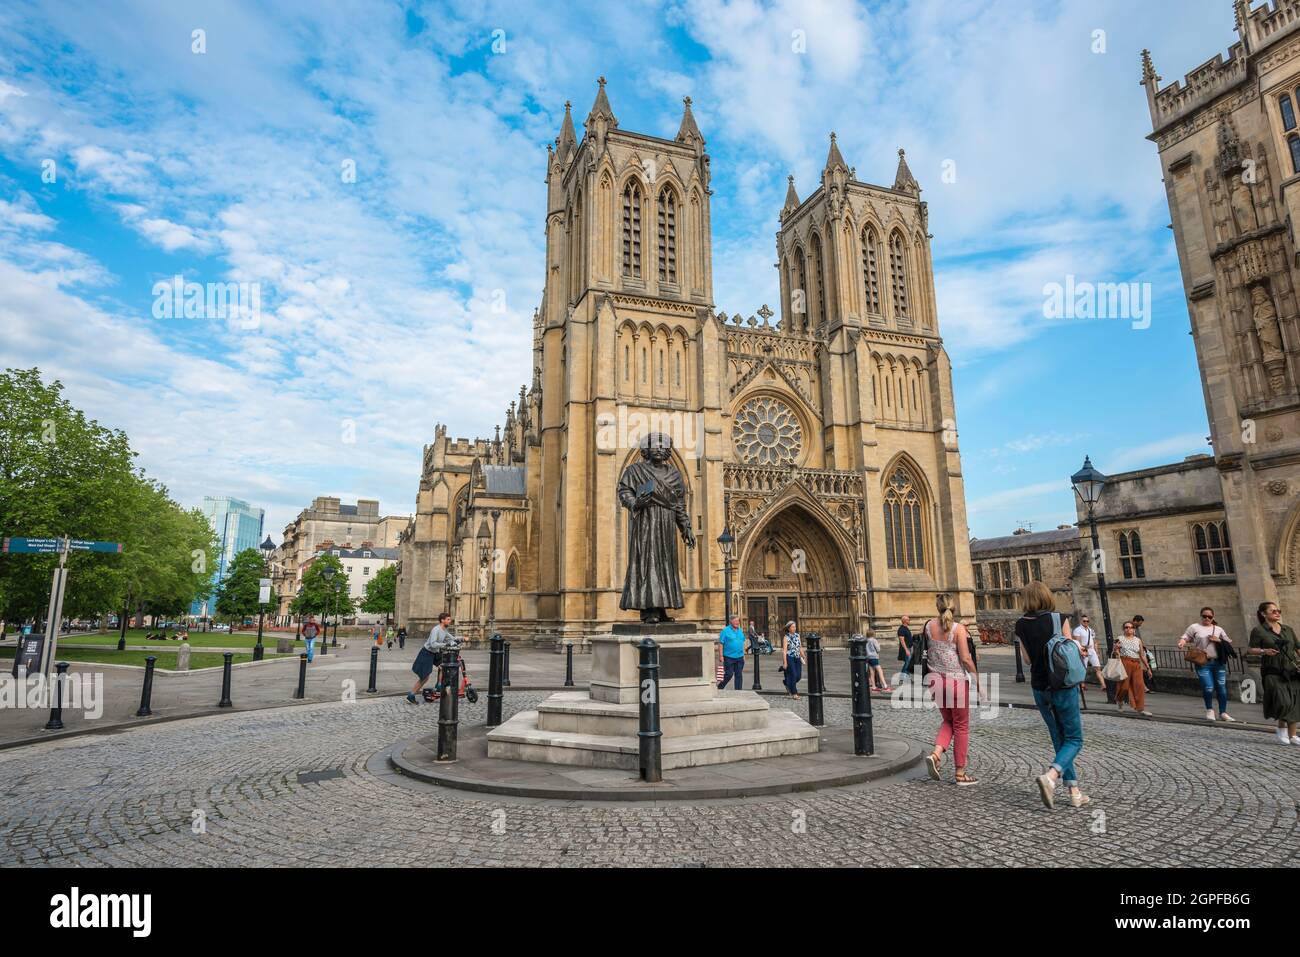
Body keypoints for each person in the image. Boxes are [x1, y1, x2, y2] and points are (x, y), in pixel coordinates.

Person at [1014, 582, 1088, 809]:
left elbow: (1027, 660)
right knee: (1075, 739)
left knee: (1059, 738)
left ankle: (1074, 792)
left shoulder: (1020, 625)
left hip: (1039, 688)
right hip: (1062, 685)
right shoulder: (1059, 618)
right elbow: (1070, 652)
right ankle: (1051, 776)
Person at [922, 608, 978, 785]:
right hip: (956, 683)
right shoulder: (958, 629)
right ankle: (960, 773)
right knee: (961, 726)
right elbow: (966, 659)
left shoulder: (928, 626)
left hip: (935, 681)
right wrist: (978, 680)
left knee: (948, 721)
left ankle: (936, 754)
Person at [1247, 601, 1300, 745]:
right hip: (1272, 671)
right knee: (1283, 701)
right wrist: (1265, 651)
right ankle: (1282, 729)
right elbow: (1251, 649)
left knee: (1294, 702)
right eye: (1273, 611)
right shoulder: (1259, 631)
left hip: (1291, 671)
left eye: (1278, 611)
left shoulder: (1287, 629)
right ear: (1264, 614)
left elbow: (1297, 648)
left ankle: (1293, 735)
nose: (1277, 613)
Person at [1178, 607, 1236, 722]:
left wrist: (1218, 640)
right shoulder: (1195, 627)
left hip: (1218, 662)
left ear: (1213, 617)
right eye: (1204, 616)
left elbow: (1229, 643)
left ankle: (1223, 712)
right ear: (1201, 616)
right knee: (1208, 687)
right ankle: (1209, 710)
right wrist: (1181, 643)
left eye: (1209, 616)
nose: (1207, 618)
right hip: (1203, 662)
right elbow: (1186, 637)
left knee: (1222, 688)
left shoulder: (1218, 629)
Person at [408, 612, 457, 704]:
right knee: (425, 678)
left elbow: (452, 638)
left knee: (443, 665)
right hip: (426, 653)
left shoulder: (444, 630)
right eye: (448, 619)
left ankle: (438, 685)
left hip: (434, 653)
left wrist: (462, 639)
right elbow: (433, 644)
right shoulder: (436, 629)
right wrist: (446, 644)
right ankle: (411, 694)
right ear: (442, 620)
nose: (450, 621)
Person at [1112, 621, 1152, 715]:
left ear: (1134, 629)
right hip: (1124, 662)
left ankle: (1140, 709)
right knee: (1124, 686)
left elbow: (1142, 655)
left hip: (1136, 664)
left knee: (1139, 685)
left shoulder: (1138, 640)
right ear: (1123, 629)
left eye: (1130, 627)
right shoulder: (1120, 638)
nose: (1128, 629)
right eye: (1126, 627)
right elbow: (1115, 652)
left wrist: (1148, 668)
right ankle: (1120, 701)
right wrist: (1115, 649)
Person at [717, 614, 746, 690]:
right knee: (729, 674)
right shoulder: (725, 631)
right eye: (736, 621)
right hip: (729, 657)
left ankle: (738, 691)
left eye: (738, 621)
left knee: (739, 674)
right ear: (731, 621)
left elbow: (742, 642)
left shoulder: (740, 630)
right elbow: (721, 643)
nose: (737, 622)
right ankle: (720, 687)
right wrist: (721, 656)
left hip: (739, 657)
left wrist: (743, 655)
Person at [781, 621, 805, 698]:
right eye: (793, 627)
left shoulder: (797, 635)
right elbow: (784, 651)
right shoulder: (786, 637)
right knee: (794, 675)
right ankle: (794, 693)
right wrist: (785, 662)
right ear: (789, 628)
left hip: (797, 657)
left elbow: (800, 647)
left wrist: (803, 656)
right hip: (790, 657)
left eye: (795, 627)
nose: (794, 628)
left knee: (798, 676)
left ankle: (786, 683)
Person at [897, 615, 914, 679]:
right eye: (908, 620)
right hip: (906, 649)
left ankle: (905, 676)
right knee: (908, 663)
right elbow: (902, 640)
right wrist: (906, 650)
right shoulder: (901, 629)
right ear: (905, 621)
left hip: (909, 648)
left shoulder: (906, 628)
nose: (909, 621)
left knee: (908, 663)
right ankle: (903, 677)